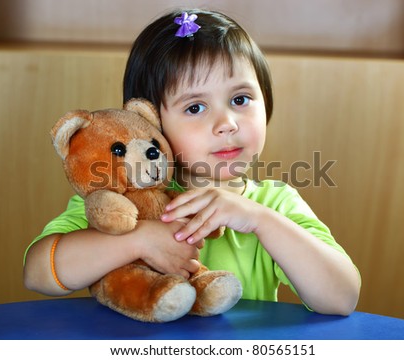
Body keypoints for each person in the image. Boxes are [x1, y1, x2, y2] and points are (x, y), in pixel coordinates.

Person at [23, 9, 360, 315]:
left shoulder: (274, 204)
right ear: (149, 122)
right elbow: (38, 273)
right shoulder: (120, 200)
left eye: (240, 99)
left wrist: (259, 220)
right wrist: (138, 239)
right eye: (195, 107)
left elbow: (341, 298)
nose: (227, 122)